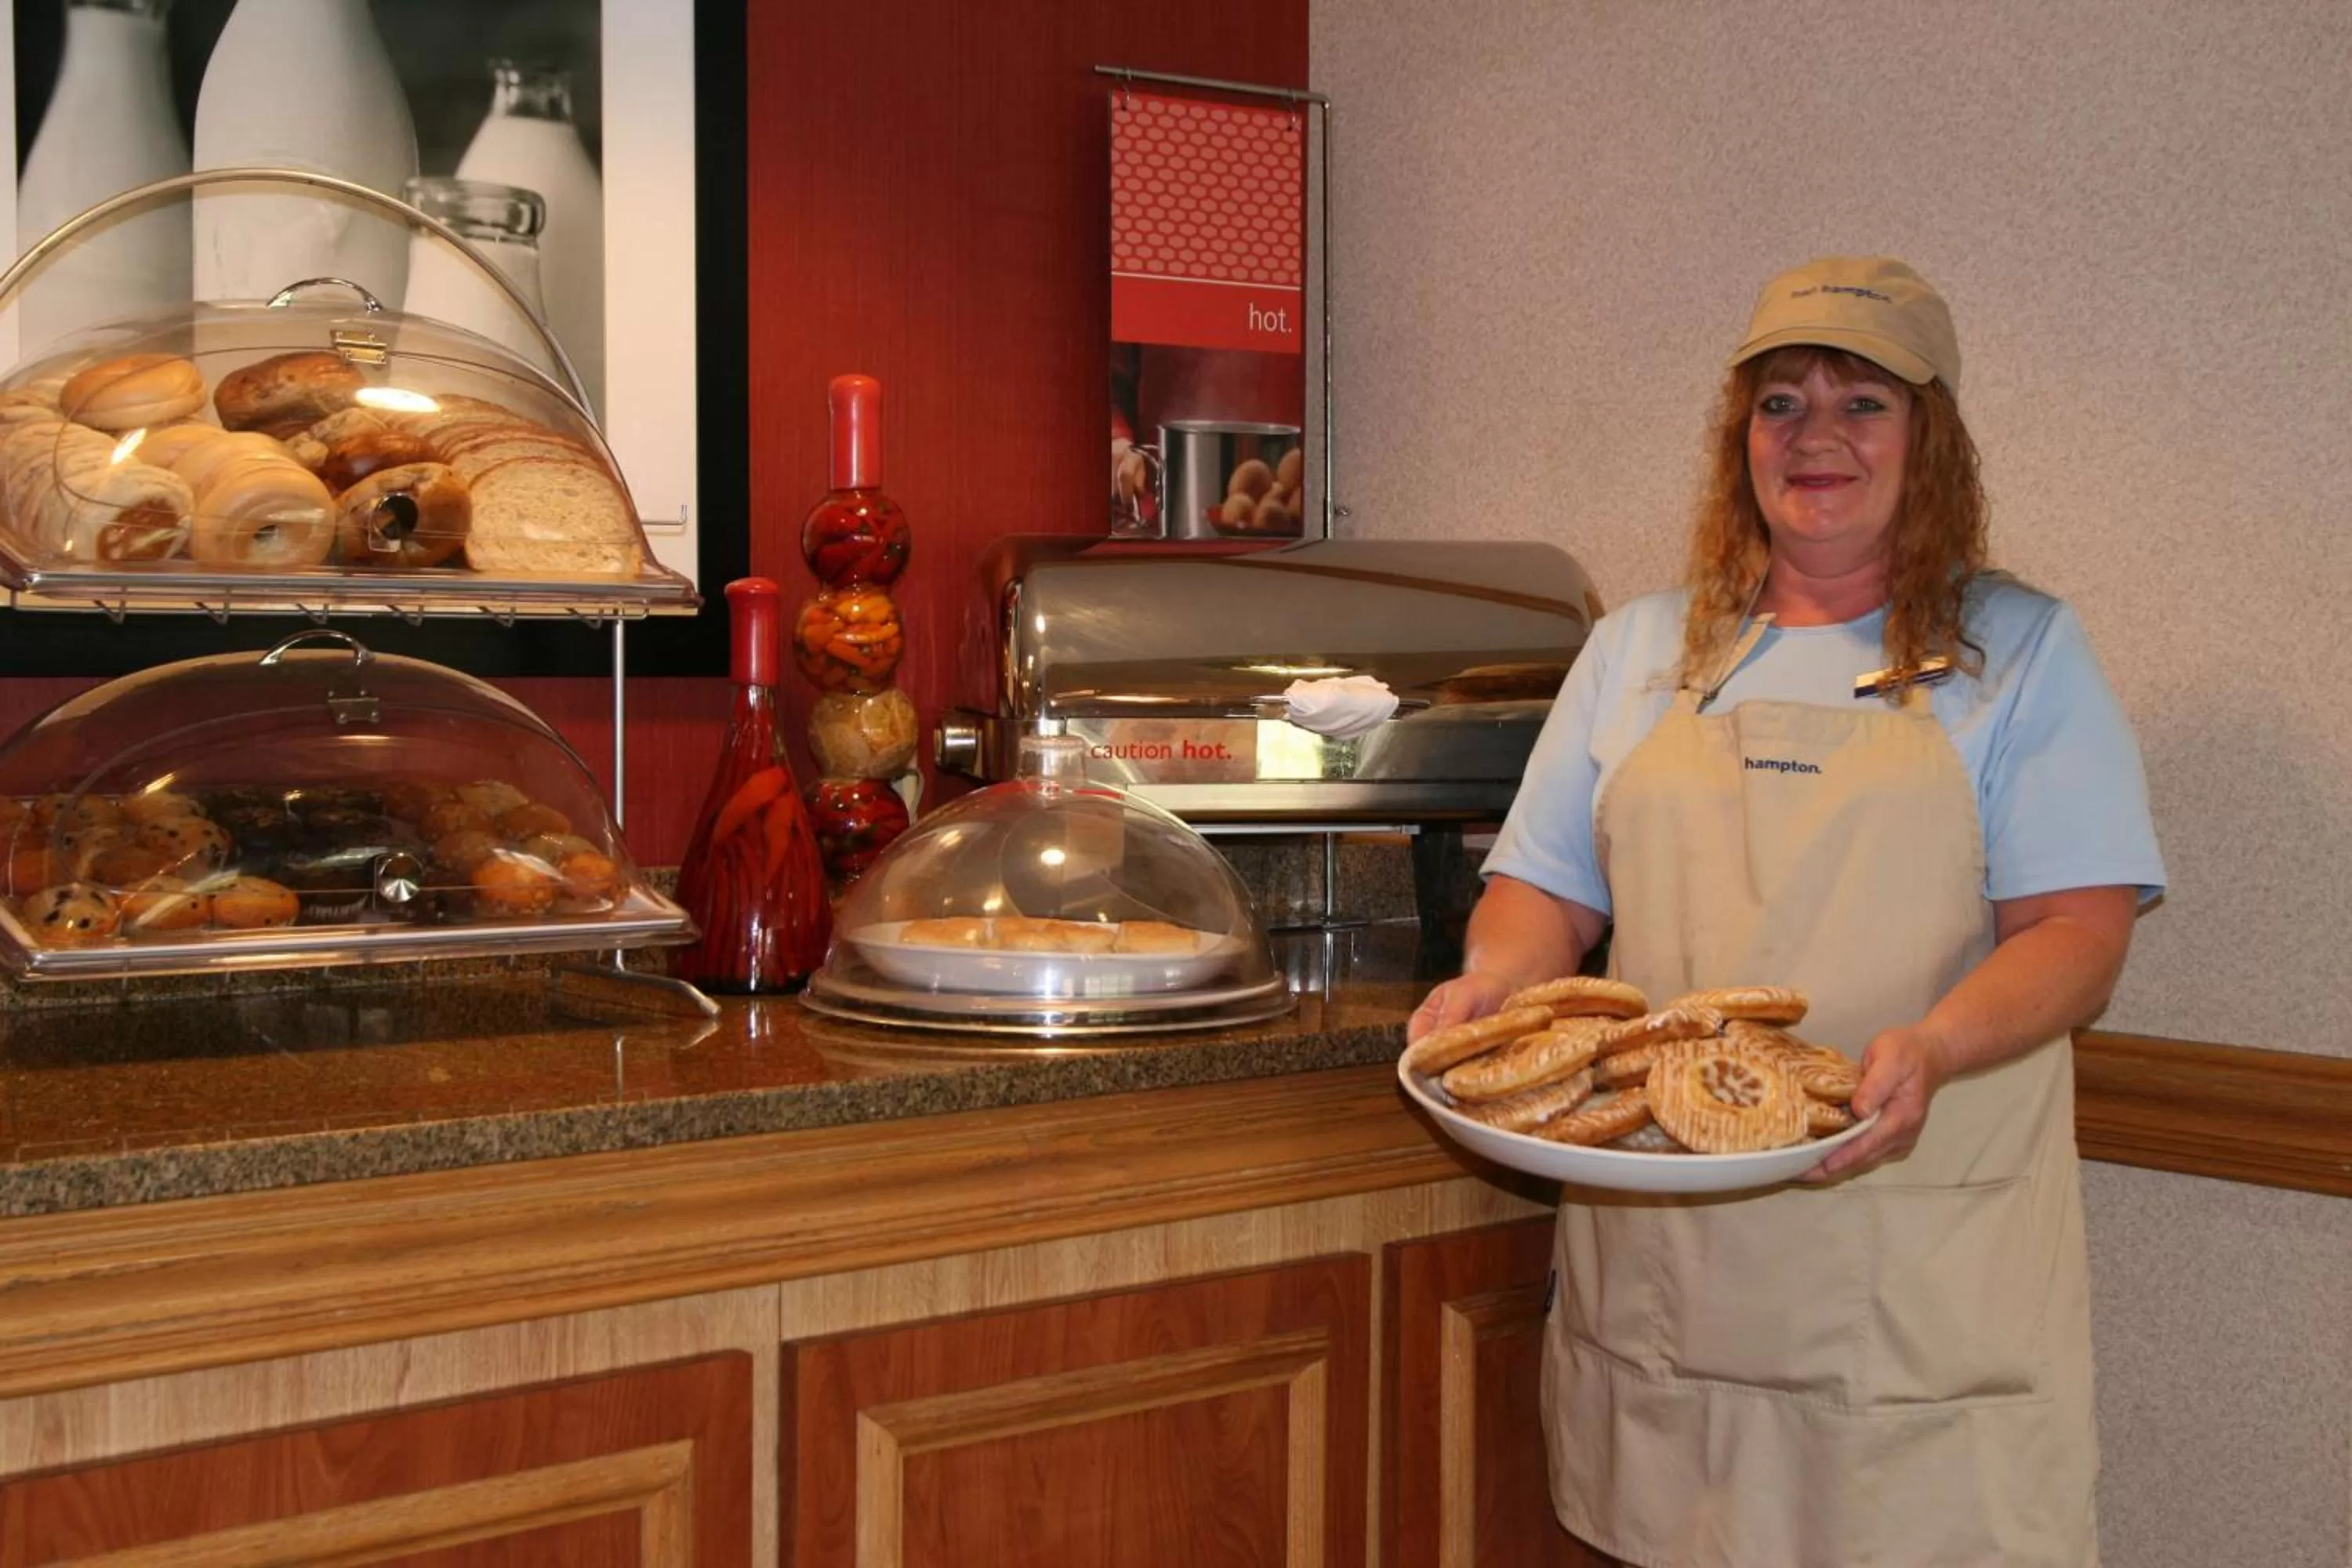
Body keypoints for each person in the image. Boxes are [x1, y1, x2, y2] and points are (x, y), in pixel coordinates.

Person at [1408, 256, 2165, 1567]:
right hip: (1670, 1276)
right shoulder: (1639, 650)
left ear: (1931, 441)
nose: (1817, 435)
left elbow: (2078, 936)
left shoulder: (2023, 655)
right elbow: (1547, 892)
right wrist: (1495, 988)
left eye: (1863, 402)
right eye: (1781, 403)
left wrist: (1934, 1048)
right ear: (1739, 438)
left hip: (1916, 1271)